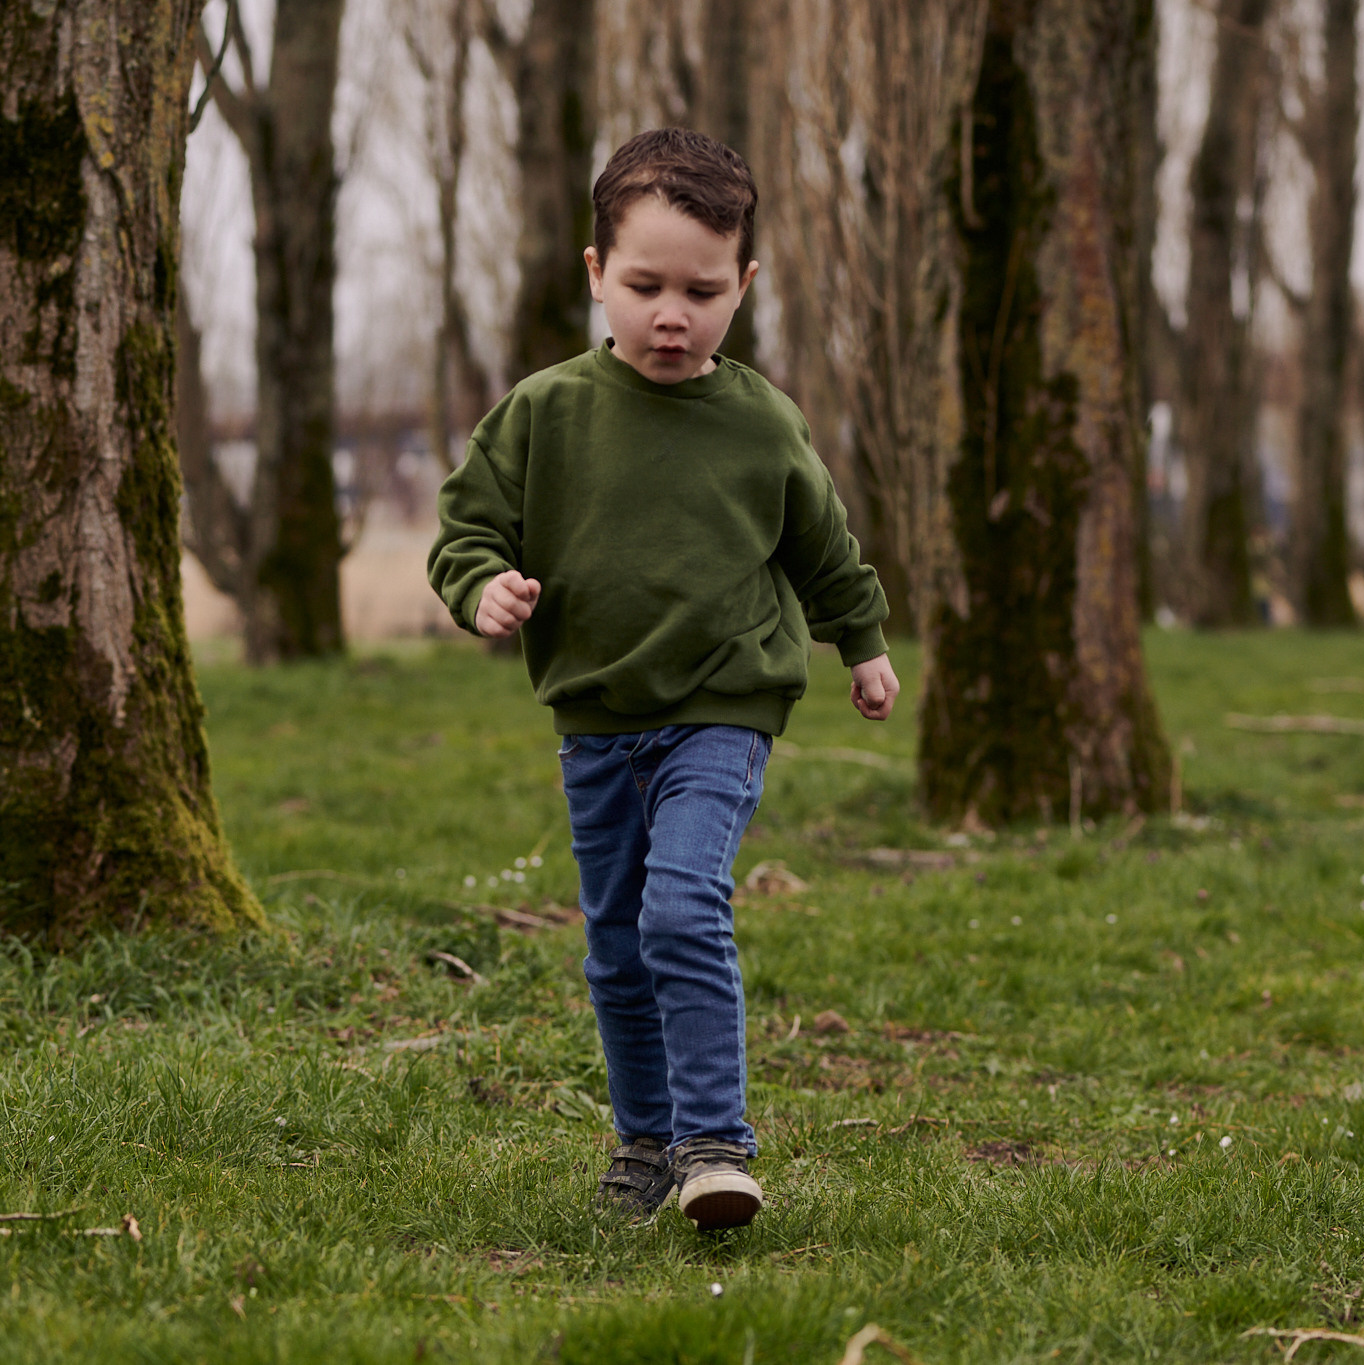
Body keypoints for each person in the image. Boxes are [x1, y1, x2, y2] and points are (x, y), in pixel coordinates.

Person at [428, 127, 897, 1232]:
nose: (669, 315)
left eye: (699, 290)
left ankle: (714, 1144)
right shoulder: (545, 413)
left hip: (721, 709)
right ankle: (642, 1143)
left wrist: (861, 643)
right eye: (643, 286)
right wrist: (480, 586)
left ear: (742, 286)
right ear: (596, 276)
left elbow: (821, 546)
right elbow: (466, 525)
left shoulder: (758, 423)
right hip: (596, 719)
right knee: (614, 947)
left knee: (682, 907)